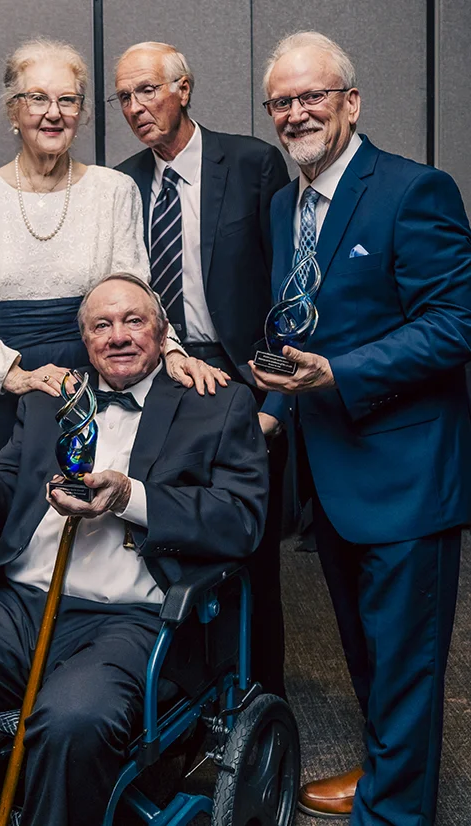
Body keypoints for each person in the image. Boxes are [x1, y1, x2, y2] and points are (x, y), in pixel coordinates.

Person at [0, 274, 269, 826]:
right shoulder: (48, 401)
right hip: (18, 610)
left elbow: (242, 522)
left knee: (73, 719)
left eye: (134, 320)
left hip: (131, 623)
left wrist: (132, 497)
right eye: (101, 325)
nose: (119, 336)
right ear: (85, 341)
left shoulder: (218, 404)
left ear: (161, 331)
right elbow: (0, 501)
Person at [251, 30, 471, 826]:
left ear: (351, 102)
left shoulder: (415, 190)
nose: (296, 113)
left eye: (313, 96)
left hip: (406, 475)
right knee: (366, 653)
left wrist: (341, 374)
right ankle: (386, 768)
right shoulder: (287, 203)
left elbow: (455, 323)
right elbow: (292, 330)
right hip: (328, 470)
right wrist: (271, 416)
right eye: (282, 101)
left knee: (408, 665)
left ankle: (395, 809)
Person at [0, 38, 223, 456]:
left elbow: (136, 294)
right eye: (38, 98)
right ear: (13, 110)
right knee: (10, 507)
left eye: (68, 100)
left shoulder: (114, 189)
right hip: (4, 391)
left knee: (95, 508)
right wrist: (17, 377)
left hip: (96, 384)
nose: (54, 113)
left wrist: (172, 351)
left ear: (81, 113)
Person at [113, 40, 290, 697]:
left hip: (242, 380)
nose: (135, 107)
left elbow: (286, 296)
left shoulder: (251, 164)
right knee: (168, 541)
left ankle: (260, 698)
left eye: (147, 91)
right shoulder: (123, 182)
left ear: (183, 88)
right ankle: (186, 696)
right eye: (124, 96)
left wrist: (275, 408)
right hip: (161, 377)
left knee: (250, 551)